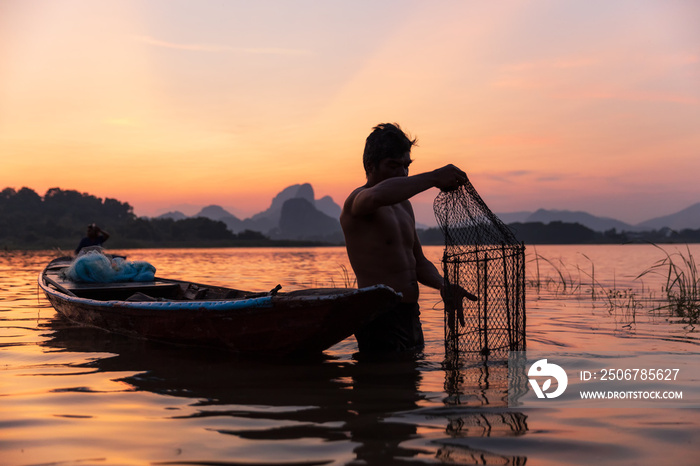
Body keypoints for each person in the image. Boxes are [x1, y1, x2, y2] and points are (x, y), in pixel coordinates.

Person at [340, 123, 477, 353]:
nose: (402, 173)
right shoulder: (358, 202)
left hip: (410, 315)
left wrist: (443, 285)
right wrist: (434, 177)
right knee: (387, 385)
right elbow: (376, 196)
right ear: (370, 166)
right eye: (393, 166)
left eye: (406, 166)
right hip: (378, 318)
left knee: (411, 385)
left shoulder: (404, 206)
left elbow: (418, 263)